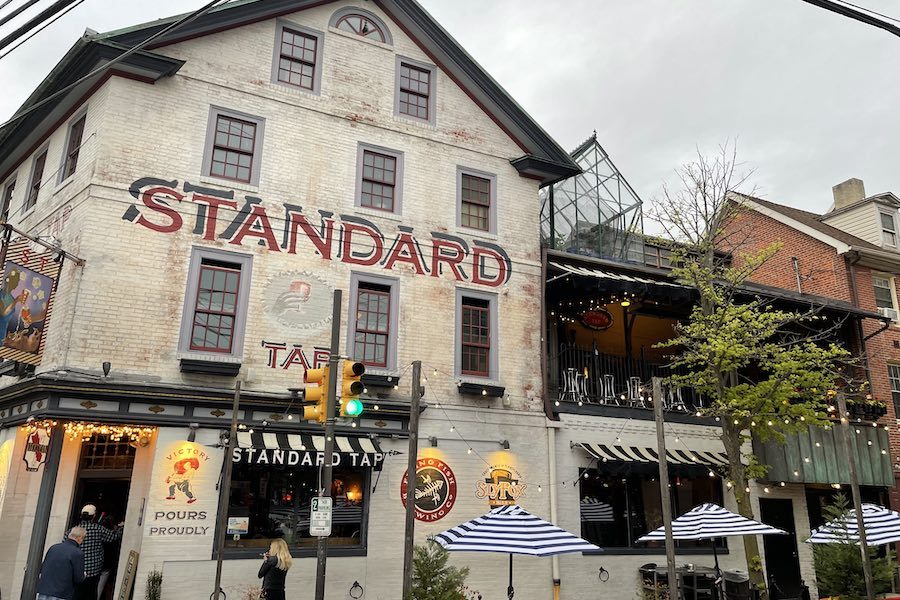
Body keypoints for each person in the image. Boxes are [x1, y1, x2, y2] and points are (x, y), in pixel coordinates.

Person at [68, 505, 123, 600]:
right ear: (94, 516)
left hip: (75, 570)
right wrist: (121, 528)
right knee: (91, 594)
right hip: (93, 571)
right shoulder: (98, 529)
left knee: (76, 594)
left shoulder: (72, 530)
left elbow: (65, 545)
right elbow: (113, 537)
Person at [36, 526, 86, 600]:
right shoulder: (78, 553)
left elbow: (42, 568)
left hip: (44, 590)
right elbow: (78, 578)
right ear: (79, 538)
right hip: (61, 593)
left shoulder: (54, 547)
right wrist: (84, 575)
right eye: (83, 538)